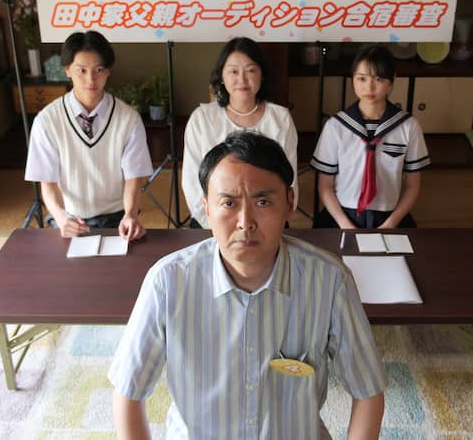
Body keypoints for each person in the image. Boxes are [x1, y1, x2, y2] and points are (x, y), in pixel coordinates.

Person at [110, 131, 386, 439]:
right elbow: (128, 393)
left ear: (290, 202)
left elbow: (368, 391)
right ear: (206, 208)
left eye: (263, 201)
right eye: (228, 202)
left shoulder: (329, 280)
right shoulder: (166, 282)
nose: (245, 222)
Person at [25, 30, 153, 240]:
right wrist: (61, 218)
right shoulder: (47, 121)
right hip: (70, 217)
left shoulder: (128, 119)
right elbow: (47, 183)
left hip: (117, 216)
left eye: (98, 70)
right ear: (67, 70)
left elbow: (134, 177)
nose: (90, 79)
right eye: (81, 70)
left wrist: (130, 214)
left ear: (108, 71)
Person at [181, 37, 298, 228]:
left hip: (266, 222)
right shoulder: (202, 118)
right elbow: (191, 182)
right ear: (221, 76)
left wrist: (270, 223)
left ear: (262, 74)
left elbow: (289, 179)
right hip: (214, 221)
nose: (242, 80)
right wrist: (214, 225)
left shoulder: (280, 118)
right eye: (233, 71)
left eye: (250, 70)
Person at [311, 45, 430, 229]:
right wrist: (345, 225)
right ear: (352, 78)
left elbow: (412, 186)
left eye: (378, 78)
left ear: (392, 79)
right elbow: (325, 186)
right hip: (341, 215)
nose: (369, 87)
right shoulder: (336, 126)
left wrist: (390, 224)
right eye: (362, 78)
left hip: (389, 216)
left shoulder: (408, 126)